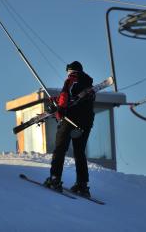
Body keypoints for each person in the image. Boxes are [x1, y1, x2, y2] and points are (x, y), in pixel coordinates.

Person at [43, 61, 95, 197]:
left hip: (69, 119)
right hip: (86, 122)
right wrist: (56, 100)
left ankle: (55, 178)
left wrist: (59, 110)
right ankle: (82, 185)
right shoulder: (88, 84)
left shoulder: (71, 80)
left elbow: (66, 95)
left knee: (60, 148)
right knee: (79, 152)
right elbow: (72, 97)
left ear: (70, 71)